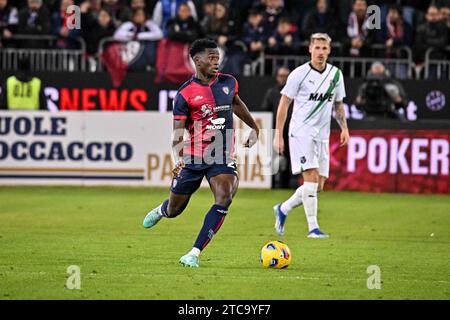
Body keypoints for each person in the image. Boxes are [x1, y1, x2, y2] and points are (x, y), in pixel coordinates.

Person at [142, 39, 260, 268]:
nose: (217, 62)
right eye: (212, 58)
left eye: (218, 57)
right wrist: (178, 159)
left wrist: (254, 127)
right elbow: (177, 133)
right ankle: (162, 210)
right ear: (197, 61)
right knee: (175, 209)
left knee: (225, 196)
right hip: (194, 157)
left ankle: (193, 253)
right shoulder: (184, 94)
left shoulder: (228, 82)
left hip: (222, 155)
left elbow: (236, 104)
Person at [272, 33, 349, 238]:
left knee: (318, 185)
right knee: (312, 178)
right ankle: (313, 228)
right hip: (300, 133)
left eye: (324, 48)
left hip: (321, 135)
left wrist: (344, 127)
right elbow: (284, 104)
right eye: (317, 48)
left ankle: (283, 209)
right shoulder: (299, 74)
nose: (321, 52)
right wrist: (278, 135)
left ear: (329, 51)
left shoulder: (336, 75)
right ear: (310, 49)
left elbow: (338, 104)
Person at [261, 66, 292, 189]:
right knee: (272, 158)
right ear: (277, 77)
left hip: (290, 131)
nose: (283, 79)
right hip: (274, 130)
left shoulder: (295, 94)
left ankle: (286, 184)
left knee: (290, 158)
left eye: (286, 76)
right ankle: (272, 184)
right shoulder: (272, 92)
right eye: (281, 76)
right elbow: (265, 110)